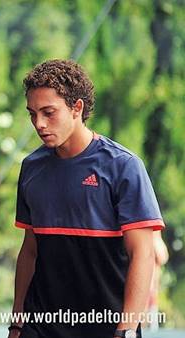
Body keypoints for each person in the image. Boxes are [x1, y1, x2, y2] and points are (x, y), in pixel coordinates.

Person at [8, 59, 164, 338]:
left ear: (76, 108)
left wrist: (127, 329)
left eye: (49, 113)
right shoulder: (31, 167)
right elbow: (30, 250)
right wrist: (17, 323)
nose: (39, 124)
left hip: (104, 326)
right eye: (32, 114)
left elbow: (143, 253)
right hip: (41, 326)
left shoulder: (123, 166)